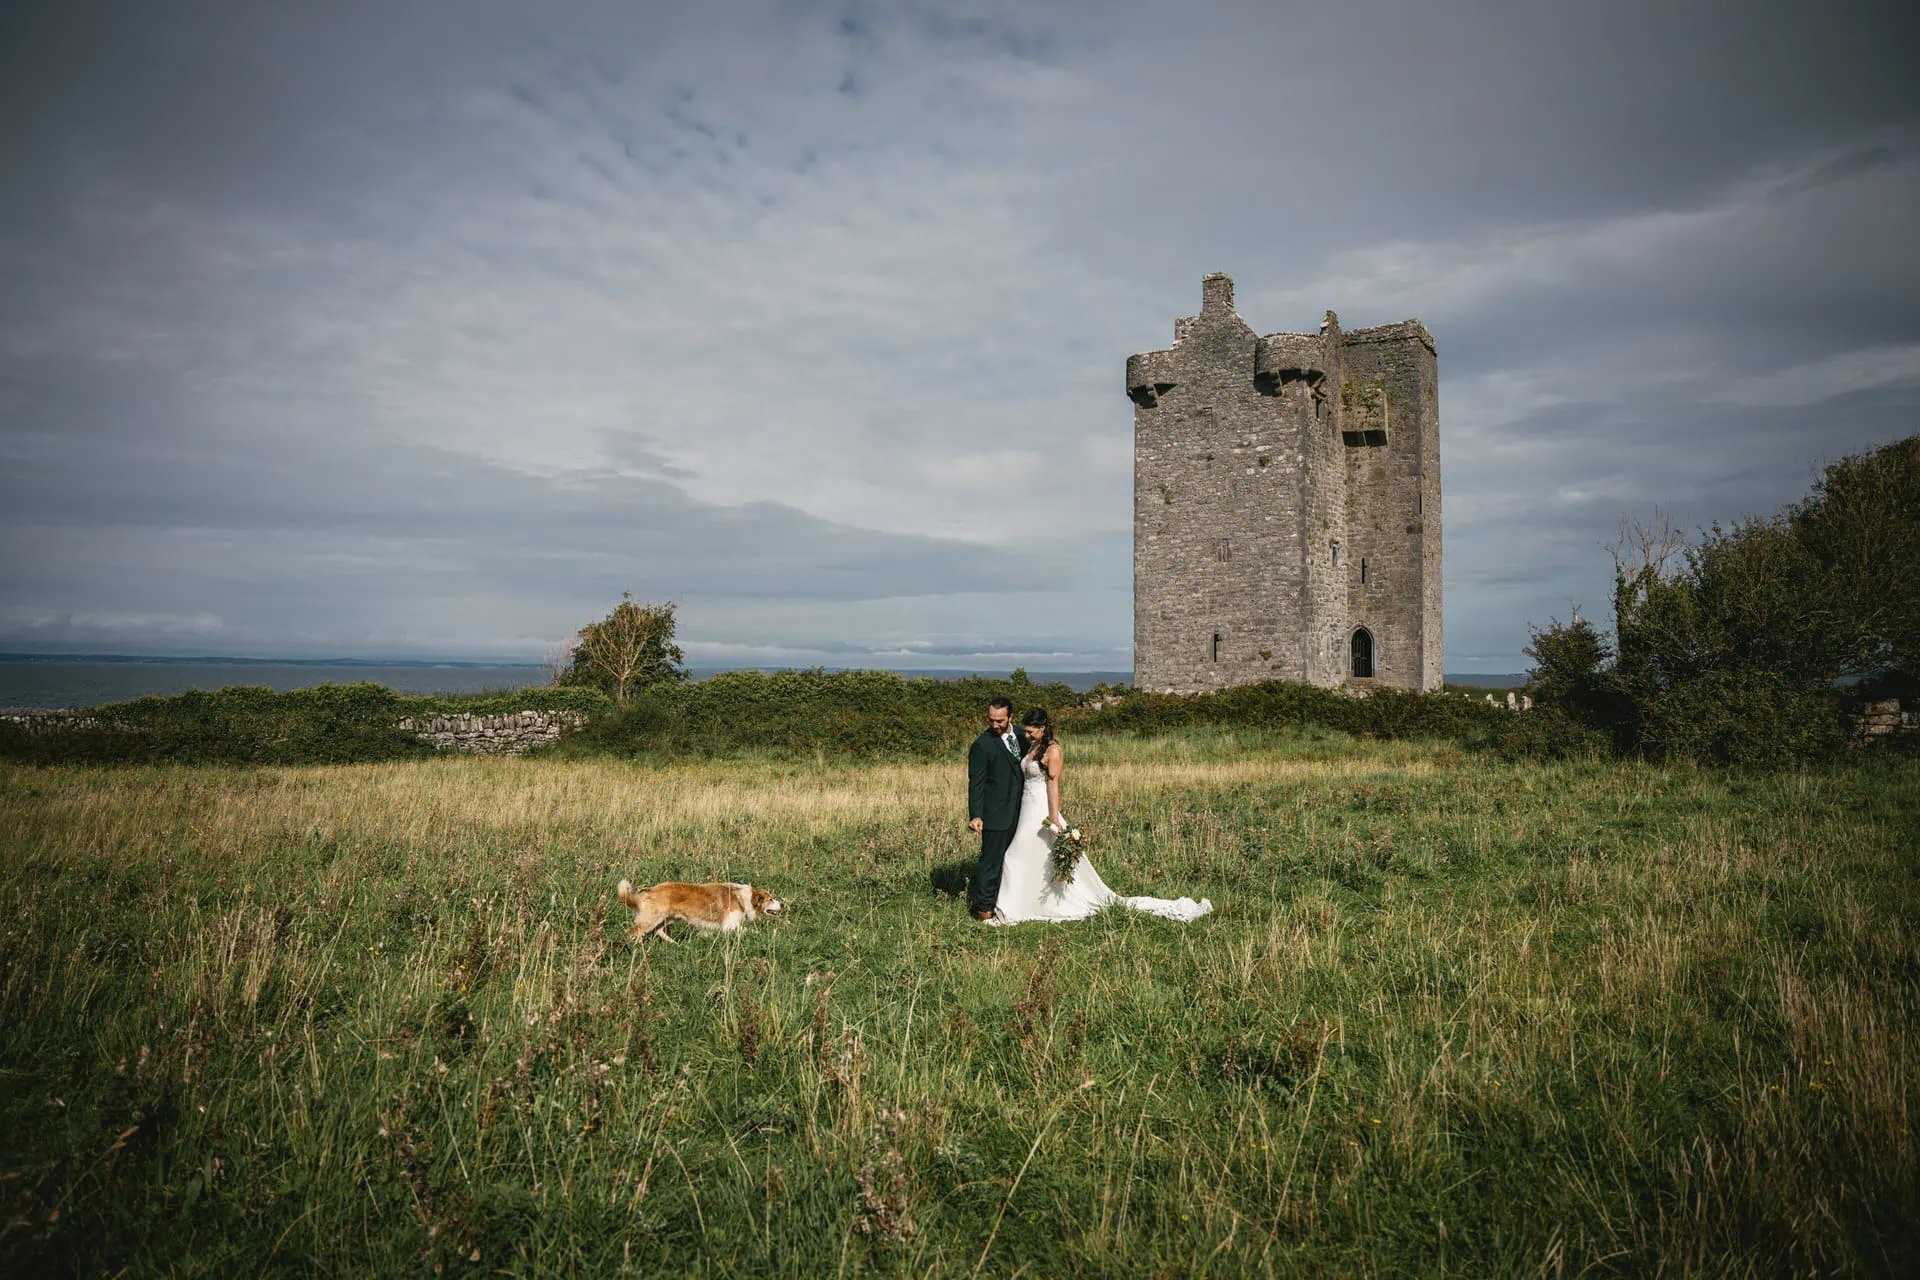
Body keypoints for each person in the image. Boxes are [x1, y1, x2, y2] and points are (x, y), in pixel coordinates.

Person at [990, 706, 1213, 925]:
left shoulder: (1053, 751)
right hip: (1026, 808)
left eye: (1031, 731)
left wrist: (1054, 818)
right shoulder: (1034, 747)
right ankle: (1025, 906)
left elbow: (1053, 786)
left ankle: (1012, 910)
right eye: (1026, 731)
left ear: (1043, 727)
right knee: (1030, 859)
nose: (1026, 735)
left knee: (1013, 857)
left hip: (1041, 809)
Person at [965, 697, 1024, 922]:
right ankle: (984, 914)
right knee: (990, 863)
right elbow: (976, 782)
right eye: (991, 720)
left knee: (1017, 861)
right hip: (996, 814)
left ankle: (1012, 905)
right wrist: (976, 814)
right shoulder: (982, 745)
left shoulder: (1022, 735)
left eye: (1000, 720)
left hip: (1023, 813)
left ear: (1010, 717)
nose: (995, 725)